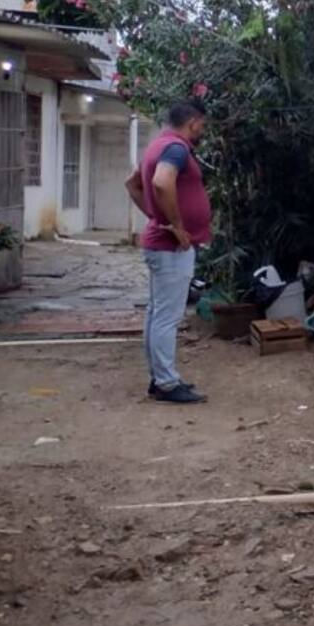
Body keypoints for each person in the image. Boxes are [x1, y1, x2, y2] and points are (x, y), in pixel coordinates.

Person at [126, 99, 213, 404]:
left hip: (160, 244)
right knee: (166, 316)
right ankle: (165, 382)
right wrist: (175, 225)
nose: (202, 130)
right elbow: (162, 183)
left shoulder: (156, 146)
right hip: (170, 248)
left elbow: (132, 184)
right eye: (201, 125)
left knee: (156, 313)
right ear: (193, 122)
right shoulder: (176, 149)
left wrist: (155, 217)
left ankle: (159, 378)